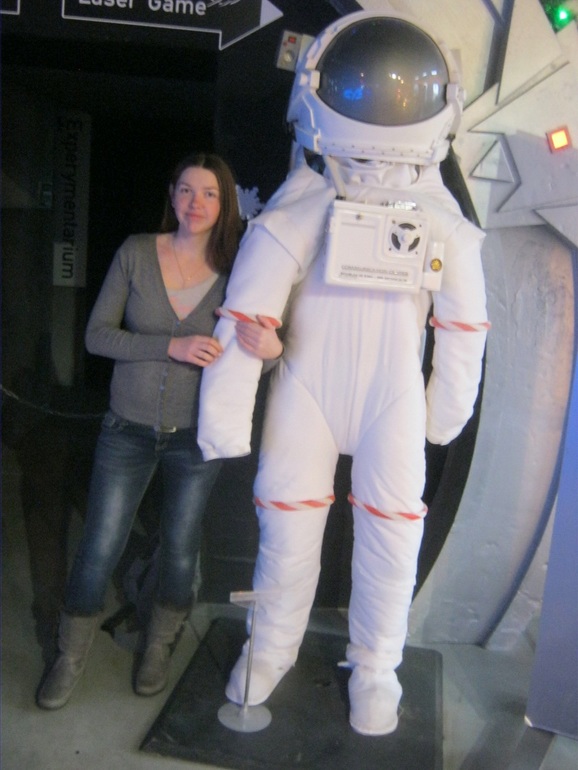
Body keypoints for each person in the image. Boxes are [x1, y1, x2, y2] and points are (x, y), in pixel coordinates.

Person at [197, 11, 490, 736]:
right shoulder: (304, 205)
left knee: (393, 535)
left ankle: (378, 667)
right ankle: (271, 649)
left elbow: (463, 327)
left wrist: (445, 412)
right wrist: (224, 420)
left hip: (390, 395)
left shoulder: (438, 220)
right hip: (308, 385)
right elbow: (247, 314)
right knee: (288, 526)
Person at [36, 152, 282, 710]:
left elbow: (257, 357)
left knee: (180, 550)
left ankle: (158, 645)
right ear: (172, 195)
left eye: (210, 193)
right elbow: (98, 336)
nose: (197, 203)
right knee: (100, 545)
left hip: (196, 437)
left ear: (225, 205)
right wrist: (169, 346)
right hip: (126, 428)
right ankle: (69, 654)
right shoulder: (137, 252)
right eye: (187, 190)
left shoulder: (241, 271)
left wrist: (273, 349)